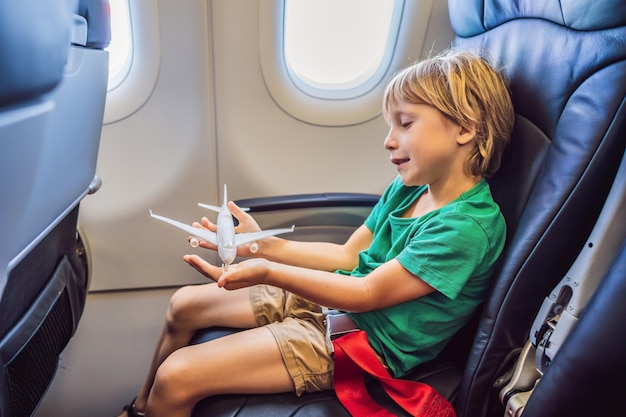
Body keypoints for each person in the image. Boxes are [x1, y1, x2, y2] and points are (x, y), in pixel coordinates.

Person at [117, 49, 515, 417]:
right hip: (335, 303)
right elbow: (348, 257)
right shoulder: (412, 188)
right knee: (184, 304)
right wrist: (260, 245)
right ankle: (138, 410)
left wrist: (267, 269)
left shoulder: (466, 228)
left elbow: (367, 294)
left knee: (179, 375)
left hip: (361, 342)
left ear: (464, 129)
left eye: (405, 123)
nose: (388, 140)